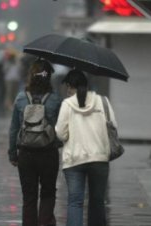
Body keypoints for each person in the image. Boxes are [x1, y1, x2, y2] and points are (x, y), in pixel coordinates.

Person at [55, 70, 114, 226]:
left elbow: (60, 134)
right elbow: (113, 127)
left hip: (74, 160)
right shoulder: (103, 101)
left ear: (70, 87)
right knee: (97, 201)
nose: (67, 90)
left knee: (75, 202)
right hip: (99, 159)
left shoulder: (67, 104)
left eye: (68, 86)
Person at [8, 59, 62, 226]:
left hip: (26, 153)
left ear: (31, 76)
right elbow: (60, 129)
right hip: (48, 153)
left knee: (29, 197)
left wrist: (12, 153)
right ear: (48, 77)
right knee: (48, 193)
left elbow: (14, 129)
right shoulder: (55, 100)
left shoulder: (20, 98)